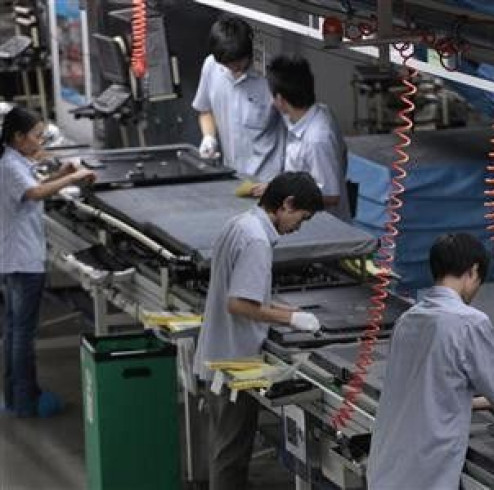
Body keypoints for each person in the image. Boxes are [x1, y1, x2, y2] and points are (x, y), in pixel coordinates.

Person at [366, 233, 494, 490]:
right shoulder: (469, 321)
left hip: (388, 464)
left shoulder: (409, 318)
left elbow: (428, 393)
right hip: (425, 473)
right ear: (473, 271)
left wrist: (483, 403)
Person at [192, 171, 325, 490]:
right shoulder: (257, 240)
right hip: (233, 363)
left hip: (218, 355)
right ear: (287, 204)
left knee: (225, 450)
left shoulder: (240, 224)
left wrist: (284, 311)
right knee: (231, 457)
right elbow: (238, 304)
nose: (298, 227)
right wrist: (291, 320)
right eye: (301, 219)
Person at [1, 106, 96, 417]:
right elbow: (35, 192)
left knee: (14, 330)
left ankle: (15, 396)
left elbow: (34, 184)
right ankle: (26, 401)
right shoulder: (9, 164)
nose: (40, 142)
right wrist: (78, 176)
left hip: (12, 258)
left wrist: (63, 175)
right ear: (18, 137)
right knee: (22, 334)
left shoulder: (12, 159)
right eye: (36, 136)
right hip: (22, 260)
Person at [192, 13, 283, 180]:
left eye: (238, 62)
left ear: (249, 51)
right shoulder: (211, 66)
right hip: (233, 176)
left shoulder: (272, 76)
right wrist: (209, 137)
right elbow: (205, 110)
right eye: (226, 64)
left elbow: (293, 128)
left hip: (269, 180)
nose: (233, 68)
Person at [260, 55, 351, 220]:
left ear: (280, 99)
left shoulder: (317, 139)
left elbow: (331, 196)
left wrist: (279, 194)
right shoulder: (319, 111)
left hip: (326, 229)